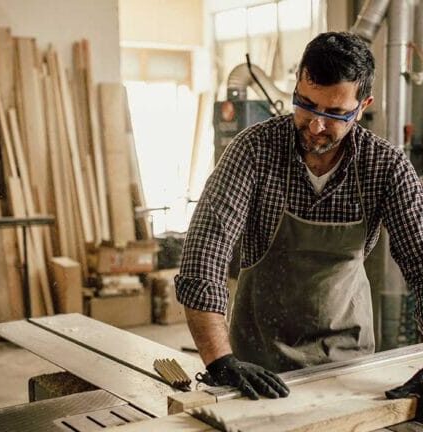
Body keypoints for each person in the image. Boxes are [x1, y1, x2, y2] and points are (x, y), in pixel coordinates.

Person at [175, 32, 423, 401]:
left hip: (347, 365)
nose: (315, 126)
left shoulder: (386, 167)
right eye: (306, 105)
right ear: (296, 86)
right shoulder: (253, 151)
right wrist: (220, 360)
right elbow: (204, 253)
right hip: (255, 365)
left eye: (335, 114)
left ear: (362, 105)